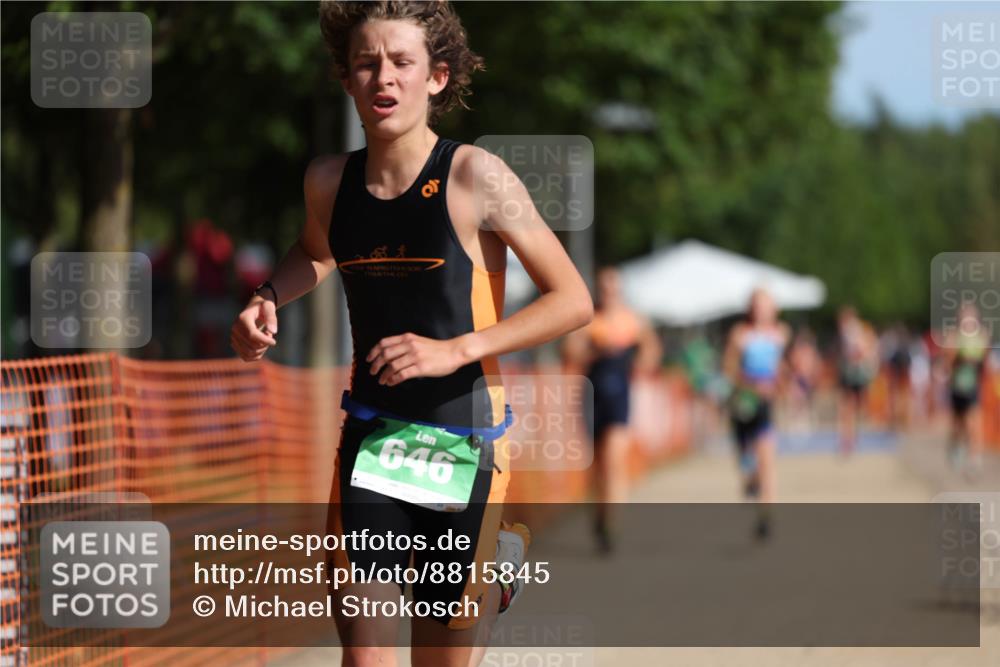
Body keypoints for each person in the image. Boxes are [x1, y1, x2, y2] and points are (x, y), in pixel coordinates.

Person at [229, 2, 593, 665]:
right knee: (364, 656)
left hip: (467, 442)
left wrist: (457, 349)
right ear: (347, 80)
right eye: (367, 63)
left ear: (437, 77)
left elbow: (572, 298)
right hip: (372, 439)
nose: (383, 78)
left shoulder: (477, 177)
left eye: (402, 62)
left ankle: (497, 555)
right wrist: (267, 295)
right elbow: (314, 253)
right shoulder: (327, 182)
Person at [562, 267, 660, 554]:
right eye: (604, 288)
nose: (609, 293)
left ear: (620, 290)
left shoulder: (634, 321)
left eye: (613, 287)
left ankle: (611, 524)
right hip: (592, 396)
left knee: (615, 460)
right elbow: (570, 351)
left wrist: (637, 362)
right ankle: (600, 513)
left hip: (620, 396)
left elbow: (651, 352)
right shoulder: (589, 320)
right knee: (597, 465)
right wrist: (598, 349)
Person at [722, 288, 790, 540]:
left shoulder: (780, 334)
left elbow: (781, 367)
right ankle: (750, 480)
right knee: (746, 461)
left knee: (767, 461)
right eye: (757, 305)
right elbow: (728, 367)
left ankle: (766, 516)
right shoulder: (740, 335)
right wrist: (750, 382)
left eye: (766, 305)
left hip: (766, 405)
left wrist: (782, 384)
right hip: (743, 403)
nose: (761, 310)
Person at [944, 302, 991, 475]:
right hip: (957, 387)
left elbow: (984, 363)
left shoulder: (981, 336)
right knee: (958, 425)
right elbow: (948, 363)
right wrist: (959, 355)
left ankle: (974, 458)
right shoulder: (953, 336)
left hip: (973, 387)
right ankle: (955, 447)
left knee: (974, 423)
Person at [836, 306, 879, 456]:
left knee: (851, 406)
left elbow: (863, 350)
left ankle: (851, 437)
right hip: (853, 372)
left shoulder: (852, 331)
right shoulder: (853, 330)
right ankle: (850, 437)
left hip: (855, 373)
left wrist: (860, 356)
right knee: (850, 406)